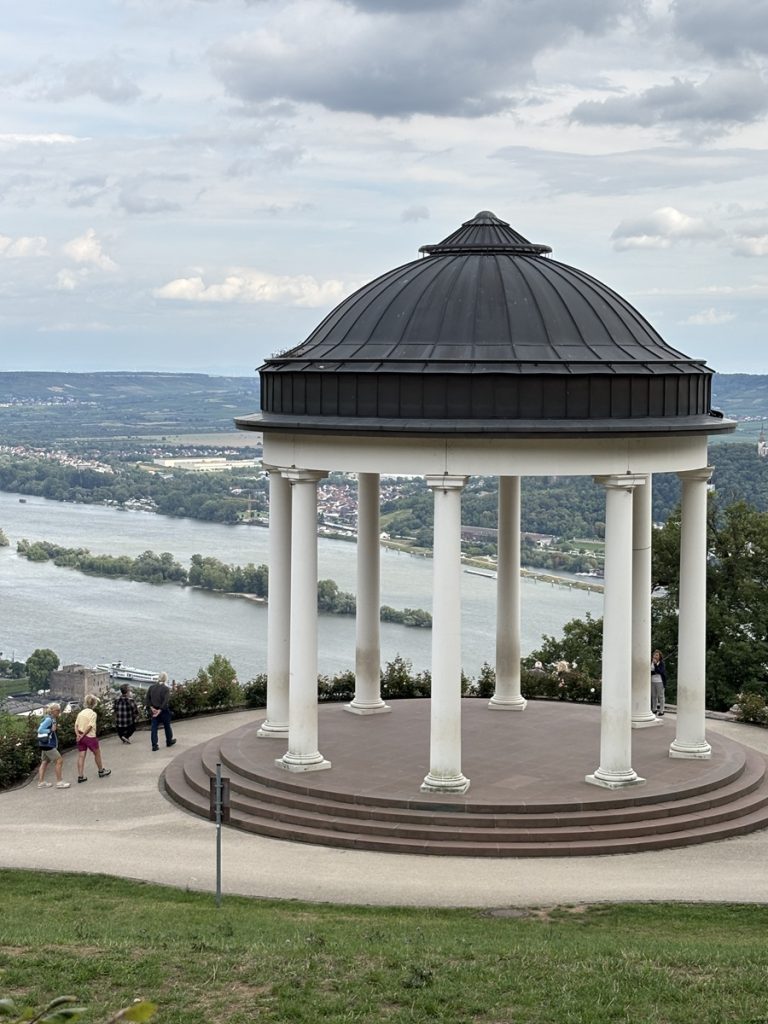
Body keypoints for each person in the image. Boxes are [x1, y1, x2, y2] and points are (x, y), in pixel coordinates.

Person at [74, 694, 112, 783]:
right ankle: (101, 771)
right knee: (97, 753)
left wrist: (78, 735)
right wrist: (84, 735)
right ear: (94, 703)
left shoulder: (81, 713)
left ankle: (80, 776)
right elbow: (90, 726)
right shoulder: (93, 714)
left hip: (80, 734)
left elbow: (76, 725)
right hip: (90, 736)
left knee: (81, 756)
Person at [37, 702, 70, 789]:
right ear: (52, 711)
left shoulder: (50, 718)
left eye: (59, 710)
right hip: (48, 744)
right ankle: (59, 782)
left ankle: (41, 782)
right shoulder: (49, 719)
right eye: (57, 710)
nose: (59, 712)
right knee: (59, 760)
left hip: (44, 744)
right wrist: (50, 730)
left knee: (44, 762)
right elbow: (40, 730)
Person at [145, 672, 176, 751]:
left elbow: (147, 699)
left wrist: (152, 708)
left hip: (154, 709)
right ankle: (169, 741)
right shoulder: (166, 689)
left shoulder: (151, 687)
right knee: (167, 726)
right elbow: (165, 701)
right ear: (165, 679)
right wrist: (160, 710)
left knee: (154, 728)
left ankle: (154, 745)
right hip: (163, 710)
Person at [651, 650, 667, 717]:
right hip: (652, 681)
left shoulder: (661, 663)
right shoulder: (651, 663)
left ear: (660, 656)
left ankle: (661, 710)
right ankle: (654, 709)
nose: (655, 656)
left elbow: (660, 671)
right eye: (654, 655)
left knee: (661, 696)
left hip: (660, 682)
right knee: (654, 696)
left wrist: (655, 665)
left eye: (657, 655)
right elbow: (651, 672)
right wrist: (655, 671)